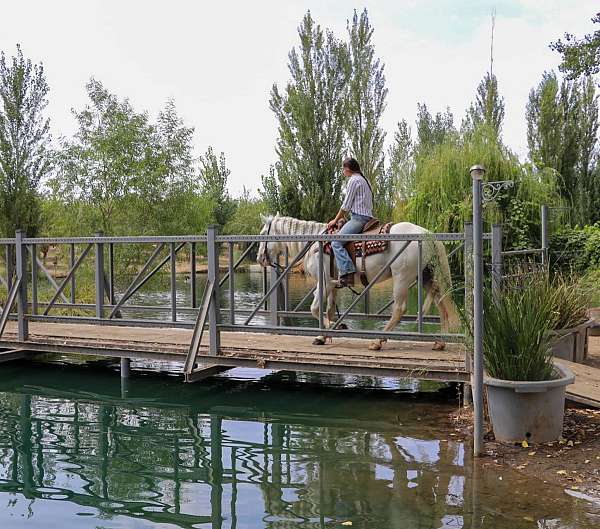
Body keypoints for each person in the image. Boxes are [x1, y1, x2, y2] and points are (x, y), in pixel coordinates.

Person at [327, 157, 373, 287]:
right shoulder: (364, 180)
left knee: (336, 242)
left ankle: (347, 273)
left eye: (343, 169)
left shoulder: (353, 180)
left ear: (347, 169)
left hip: (359, 219)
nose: (343, 172)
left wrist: (334, 220)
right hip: (367, 217)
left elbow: (346, 206)